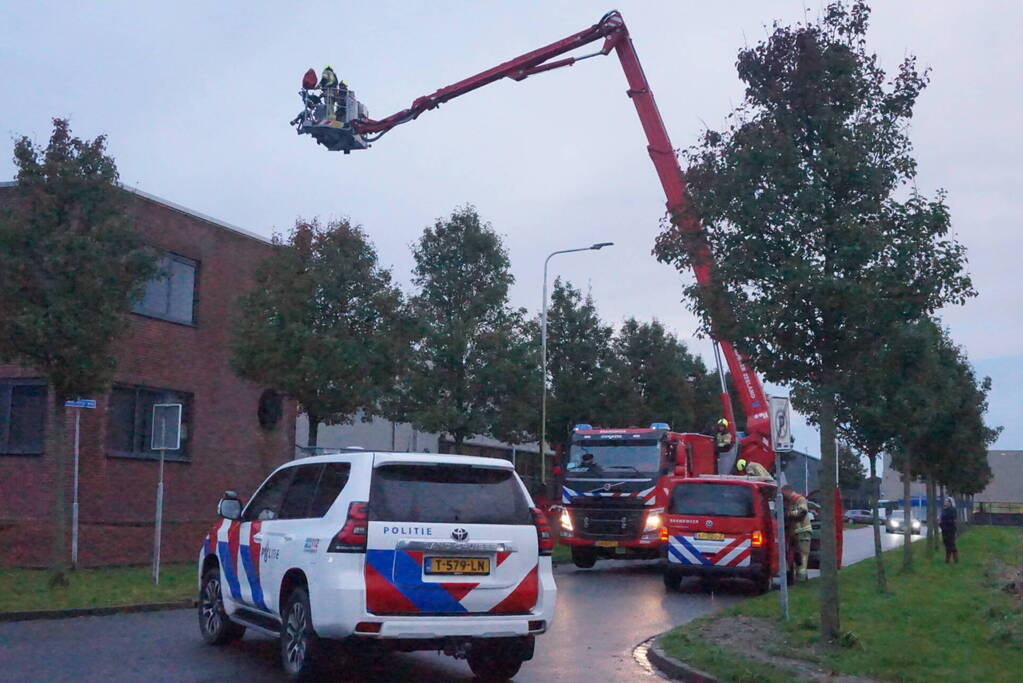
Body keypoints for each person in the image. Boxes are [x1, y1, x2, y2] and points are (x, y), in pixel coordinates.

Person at [782, 484, 812, 581]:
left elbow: (802, 511)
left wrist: (789, 514)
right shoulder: (789, 501)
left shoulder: (799, 499)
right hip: (794, 533)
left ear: (788, 491)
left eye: (783, 493)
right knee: (795, 555)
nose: (783, 496)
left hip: (803, 531)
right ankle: (796, 576)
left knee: (803, 555)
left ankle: (801, 577)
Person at [940, 498, 959, 563]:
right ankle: (947, 559)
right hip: (944, 529)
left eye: (947, 501)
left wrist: (945, 522)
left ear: (950, 503)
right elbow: (942, 518)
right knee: (946, 543)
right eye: (945, 501)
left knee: (951, 543)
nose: (945, 502)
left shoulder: (952, 510)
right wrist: (940, 523)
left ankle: (955, 559)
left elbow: (952, 519)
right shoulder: (944, 510)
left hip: (950, 529)